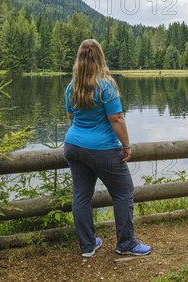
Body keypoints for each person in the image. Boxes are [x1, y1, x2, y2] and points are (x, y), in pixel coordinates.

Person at [64, 39, 152, 258]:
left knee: (81, 196)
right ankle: (126, 244)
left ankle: (87, 246)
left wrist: (83, 137)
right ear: (101, 57)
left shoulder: (72, 86)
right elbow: (117, 119)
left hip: (73, 146)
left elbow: (71, 117)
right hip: (102, 149)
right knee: (123, 193)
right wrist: (126, 146)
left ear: (79, 59)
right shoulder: (106, 85)